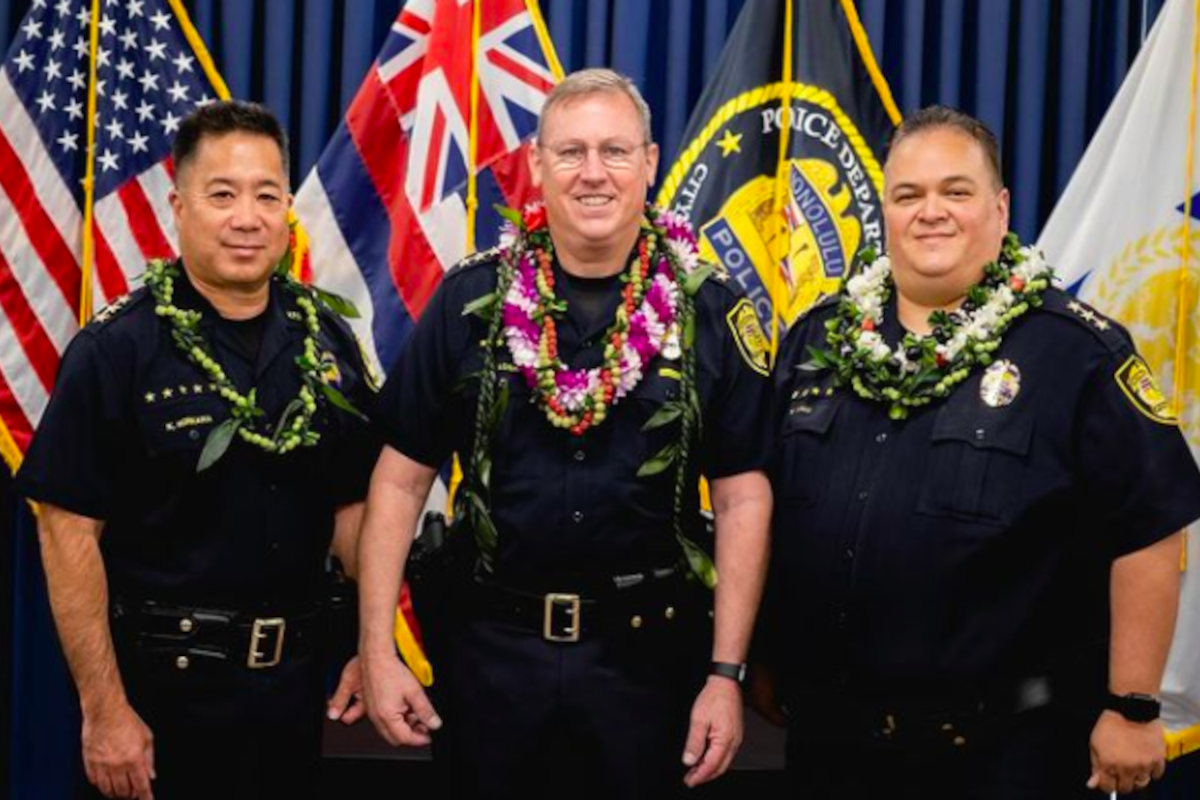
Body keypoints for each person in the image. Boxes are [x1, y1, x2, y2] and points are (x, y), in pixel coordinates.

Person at [356, 68, 773, 799]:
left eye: (615, 151)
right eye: (571, 152)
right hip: (489, 663)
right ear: (539, 167)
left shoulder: (708, 309)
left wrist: (725, 673)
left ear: (649, 165)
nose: (593, 174)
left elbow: (743, 501)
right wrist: (377, 648)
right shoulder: (469, 299)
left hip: (649, 668)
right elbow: (399, 479)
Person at [762, 105, 1200, 799]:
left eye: (955, 192)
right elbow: (761, 508)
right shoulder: (816, 342)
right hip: (829, 746)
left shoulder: (1076, 352)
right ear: (884, 210)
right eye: (909, 194)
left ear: (998, 209)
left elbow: (1149, 530)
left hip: (1005, 754)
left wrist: (1133, 705)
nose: (930, 212)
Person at [15, 101, 379, 800]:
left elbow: (352, 514)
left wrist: (373, 643)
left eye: (267, 194)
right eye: (223, 194)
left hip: (293, 698)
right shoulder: (115, 351)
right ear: (179, 207)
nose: (247, 216)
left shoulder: (327, 346)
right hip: (159, 702)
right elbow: (68, 535)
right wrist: (105, 711)